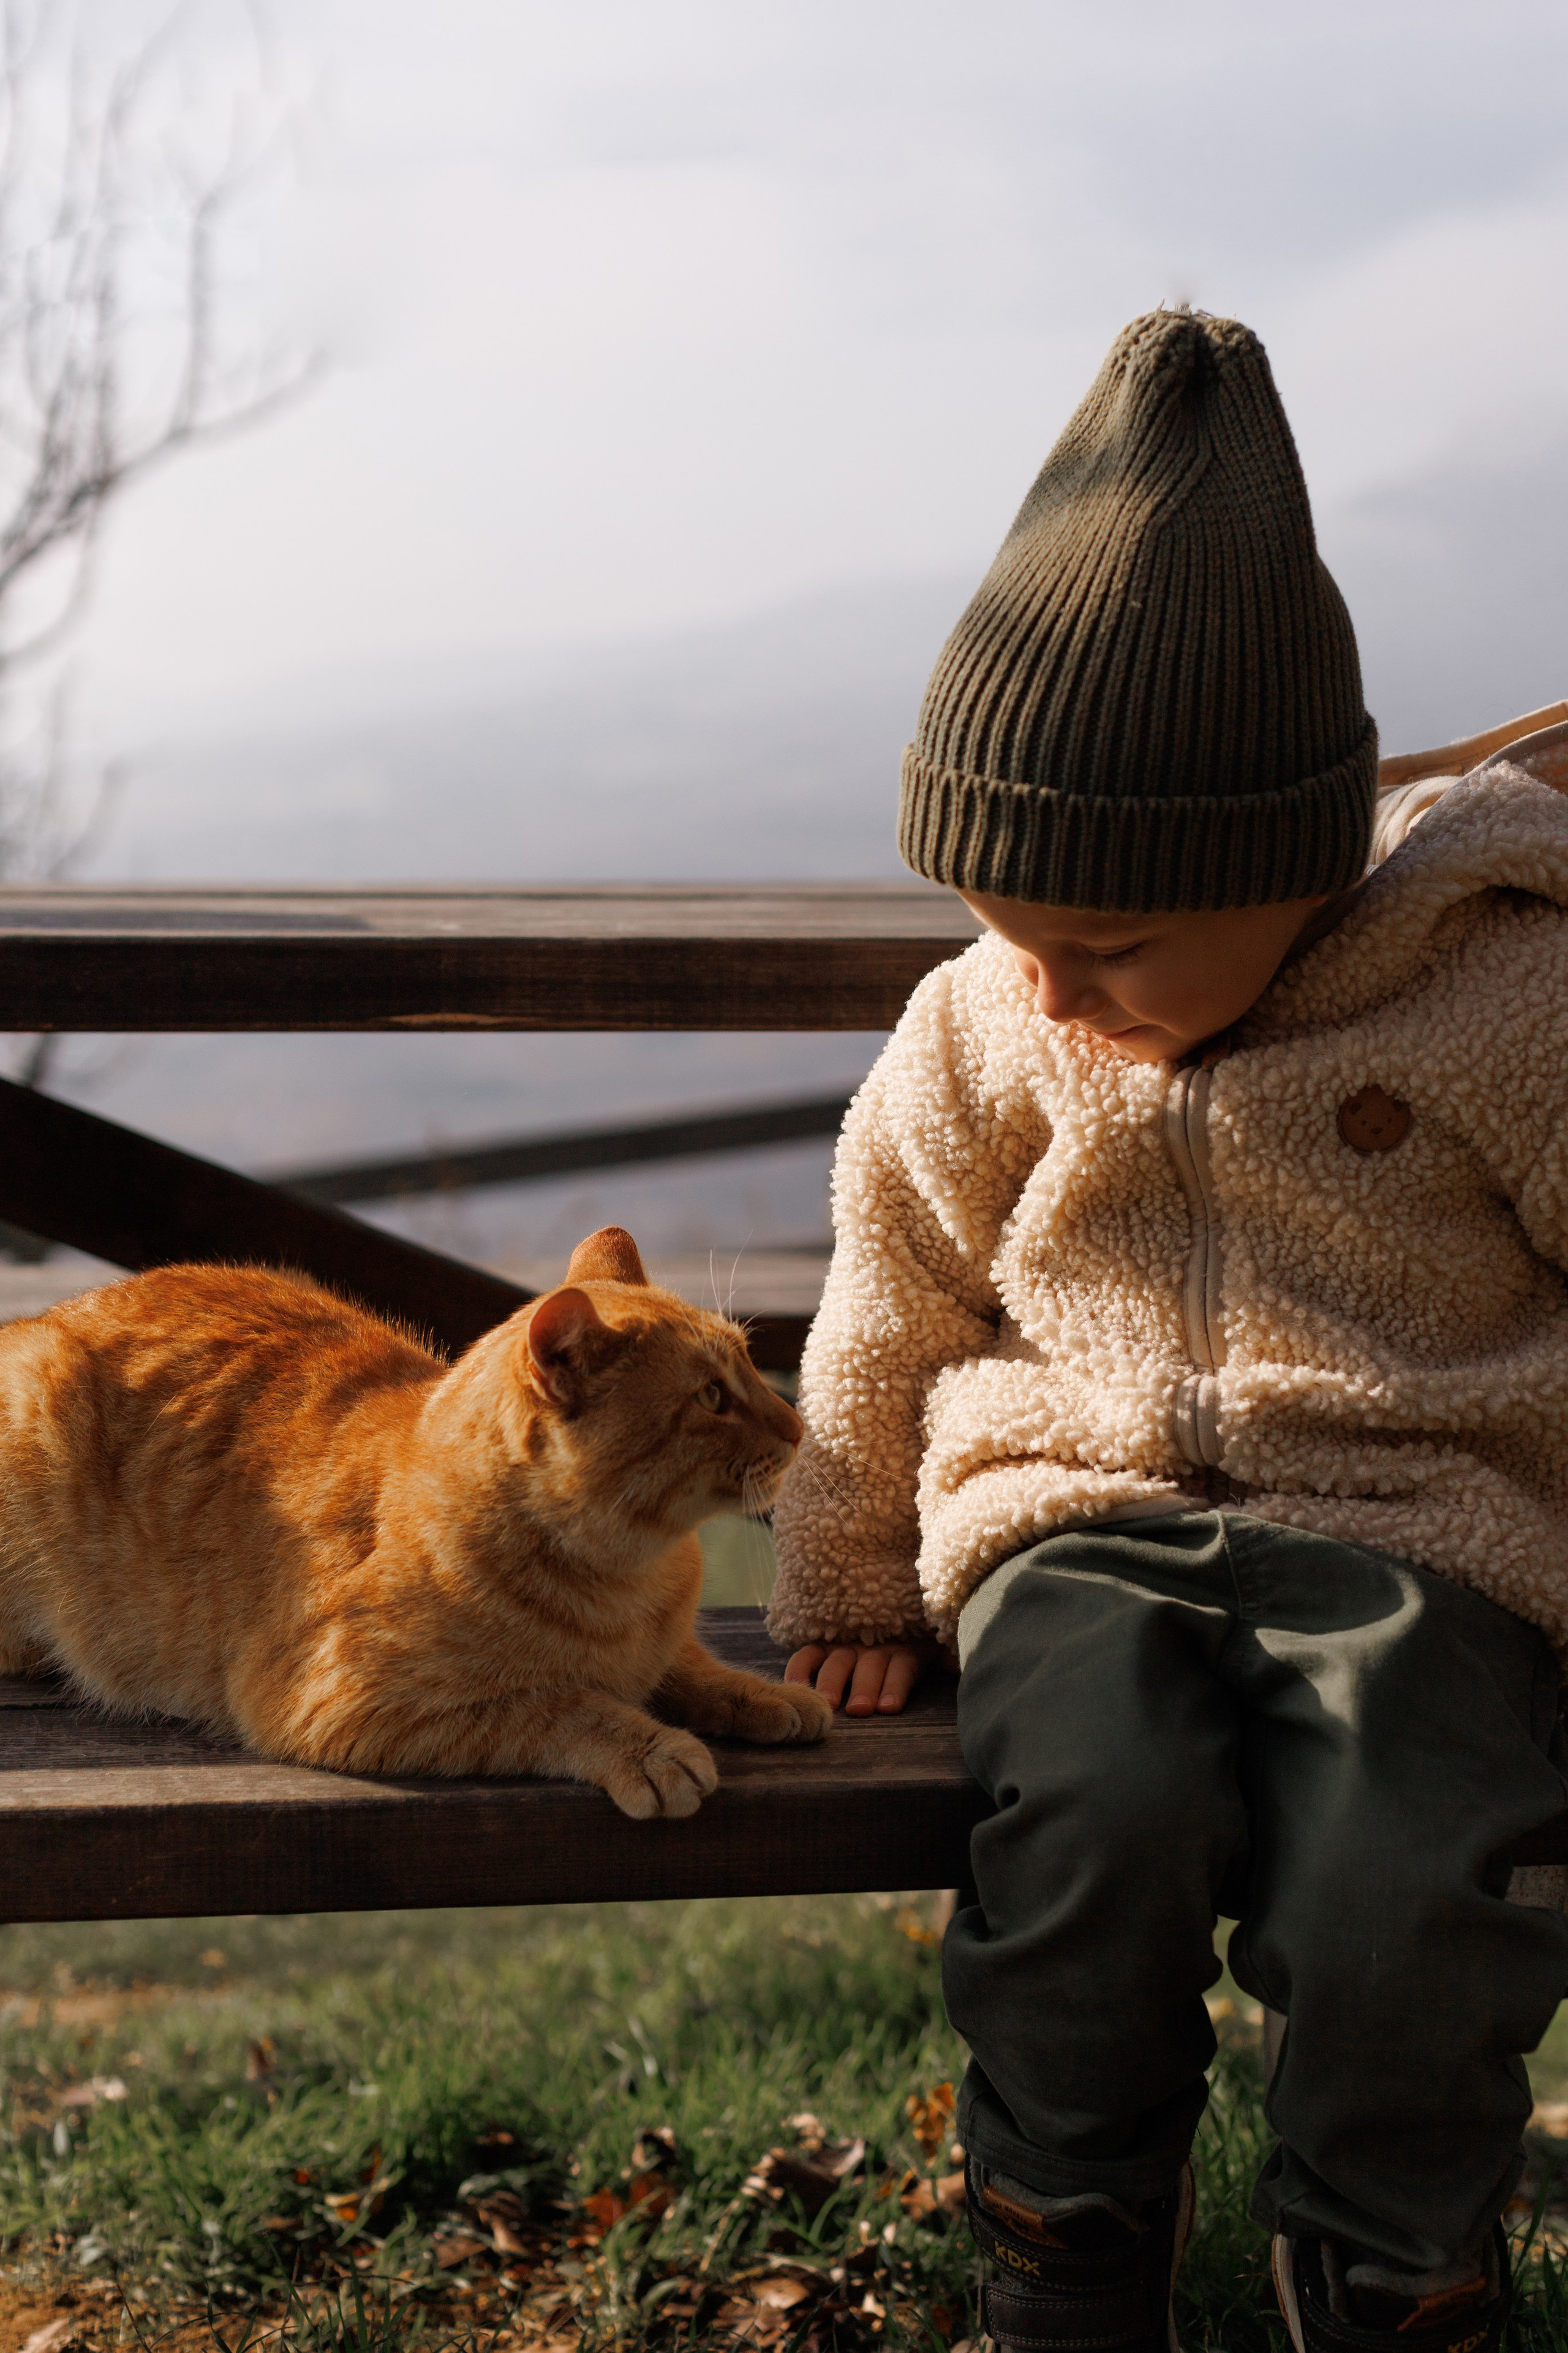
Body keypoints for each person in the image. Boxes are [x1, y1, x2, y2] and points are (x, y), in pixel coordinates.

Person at [767, 305, 1568, 2353]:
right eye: (1008, 932)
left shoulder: (1495, 1000)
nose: (1041, 989)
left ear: (1282, 867)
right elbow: (893, 1281)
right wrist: (854, 1560)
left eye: (1101, 944)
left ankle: (1386, 2266)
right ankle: (1064, 2236)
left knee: (1418, 1892)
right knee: (1084, 1833)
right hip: (1076, 1519)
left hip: (1424, 1540)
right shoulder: (989, 1023)